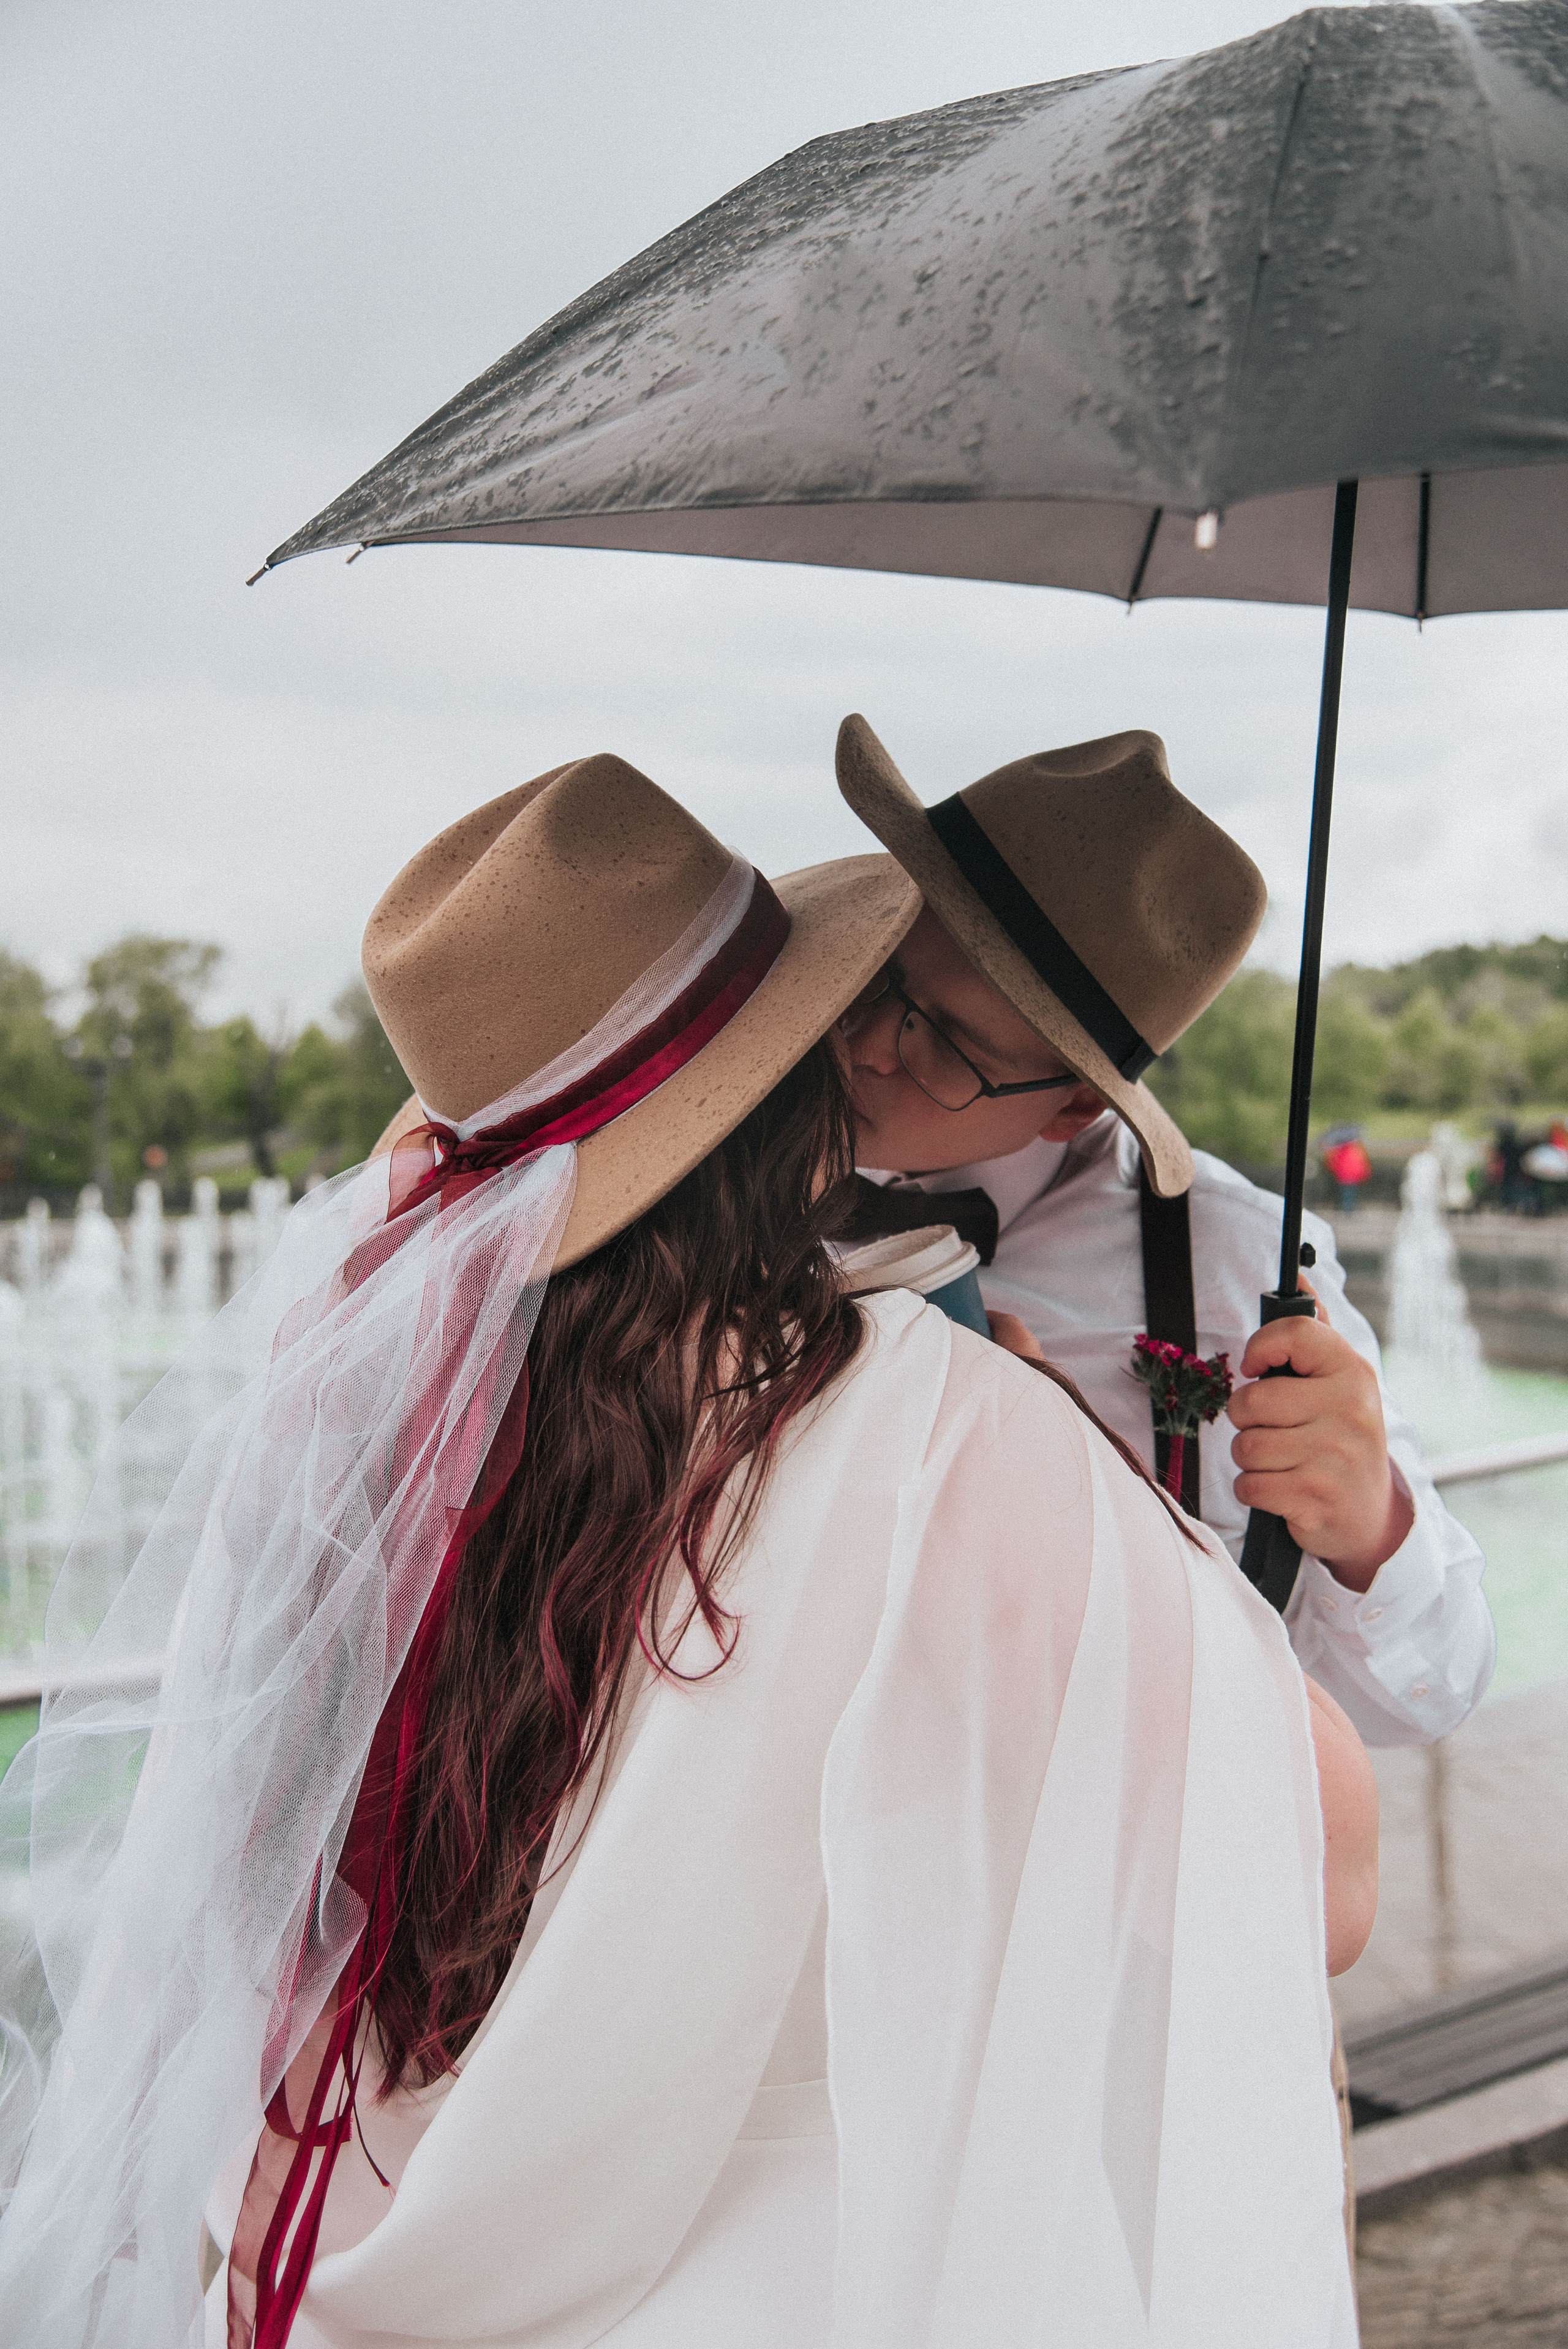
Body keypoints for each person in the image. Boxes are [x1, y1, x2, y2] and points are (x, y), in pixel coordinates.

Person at [0, 754, 1373, 2349]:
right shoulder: (934, 1426)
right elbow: (1315, 1866)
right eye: (851, 1000)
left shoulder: (378, 1381)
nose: (869, 1045)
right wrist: (1124, 1522)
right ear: (774, 1079)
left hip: (355, 2218)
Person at [835, 712, 1493, 1749]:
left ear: (1077, 1106)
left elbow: (1433, 1690)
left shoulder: (1237, 1266)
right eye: (879, 979)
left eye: (946, 1043)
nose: (865, 1045)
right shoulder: (712, 1159)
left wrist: (1373, 1526)